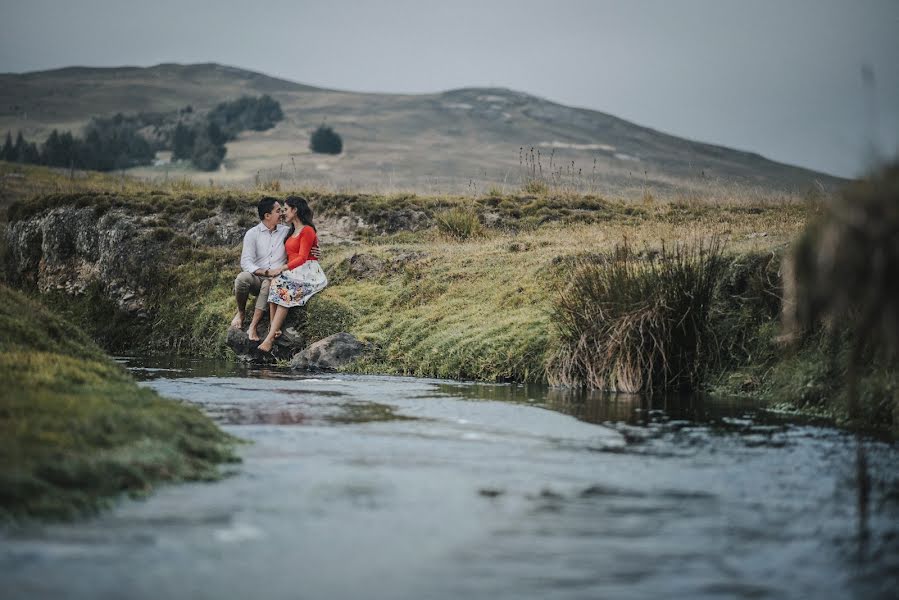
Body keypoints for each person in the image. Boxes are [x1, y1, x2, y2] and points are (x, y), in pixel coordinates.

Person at [257, 195, 328, 353]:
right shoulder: (291, 230)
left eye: (286, 209)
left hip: (308, 272)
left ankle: (269, 339)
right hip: (295, 270)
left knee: (286, 292)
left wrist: (283, 268)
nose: (283, 213)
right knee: (275, 283)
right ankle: (274, 329)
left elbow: (303, 257)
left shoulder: (307, 230)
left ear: (295, 210)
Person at [231, 196, 289, 341]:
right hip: (258, 277)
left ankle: (253, 326)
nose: (281, 213)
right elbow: (246, 262)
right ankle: (241, 312)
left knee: (268, 283)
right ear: (267, 216)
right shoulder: (252, 234)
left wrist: (315, 250)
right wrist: (265, 272)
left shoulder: (286, 231)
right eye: (278, 211)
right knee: (241, 278)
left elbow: (302, 239)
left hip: (275, 280)